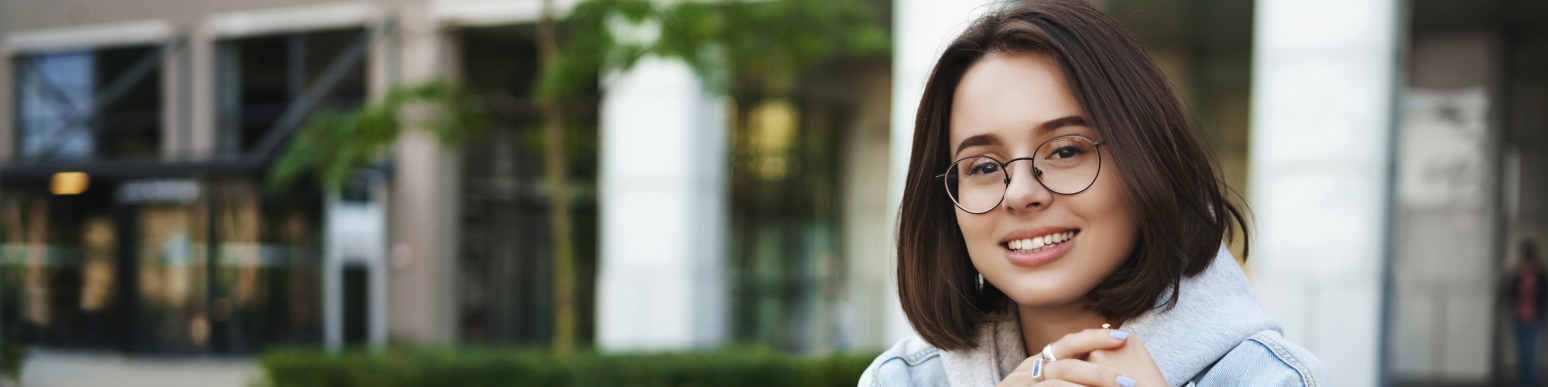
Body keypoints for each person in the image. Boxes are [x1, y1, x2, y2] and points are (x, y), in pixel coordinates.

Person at [857, 1, 1328, 386]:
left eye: (1065, 151)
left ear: (1146, 162)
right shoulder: (901, 380)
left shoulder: (1273, 380)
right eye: (982, 165)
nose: (1020, 194)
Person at [1509, 240, 1547, 386]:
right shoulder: (1517, 275)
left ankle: (1528, 383)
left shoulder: (1540, 275)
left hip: (1534, 319)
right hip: (1518, 318)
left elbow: (1544, 295)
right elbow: (1510, 293)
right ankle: (1523, 382)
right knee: (1522, 355)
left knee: (1531, 355)